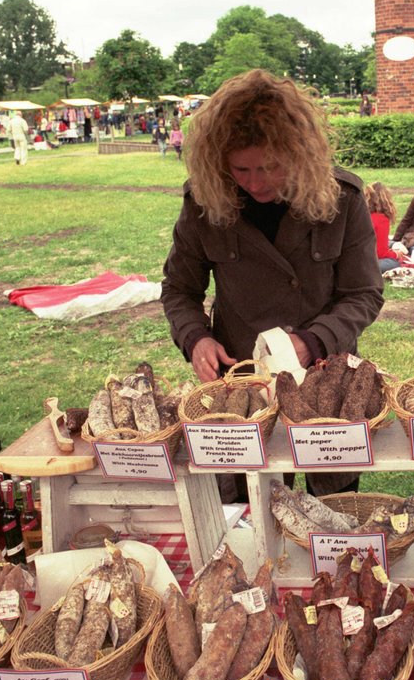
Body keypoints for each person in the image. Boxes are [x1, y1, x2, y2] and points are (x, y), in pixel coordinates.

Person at [161, 68, 384, 499]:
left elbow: (364, 293)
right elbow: (179, 289)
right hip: (239, 389)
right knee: (247, 516)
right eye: (240, 169)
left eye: (270, 167)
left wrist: (313, 342)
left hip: (328, 383)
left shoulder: (342, 199)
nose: (255, 182)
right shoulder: (205, 202)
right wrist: (196, 339)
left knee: (334, 510)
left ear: (297, 153)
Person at [364, 182, 408, 273]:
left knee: (389, 242)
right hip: (365, 261)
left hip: (353, 257)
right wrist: (395, 254)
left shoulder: (362, 215)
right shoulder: (381, 219)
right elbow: (381, 253)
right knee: (394, 263)